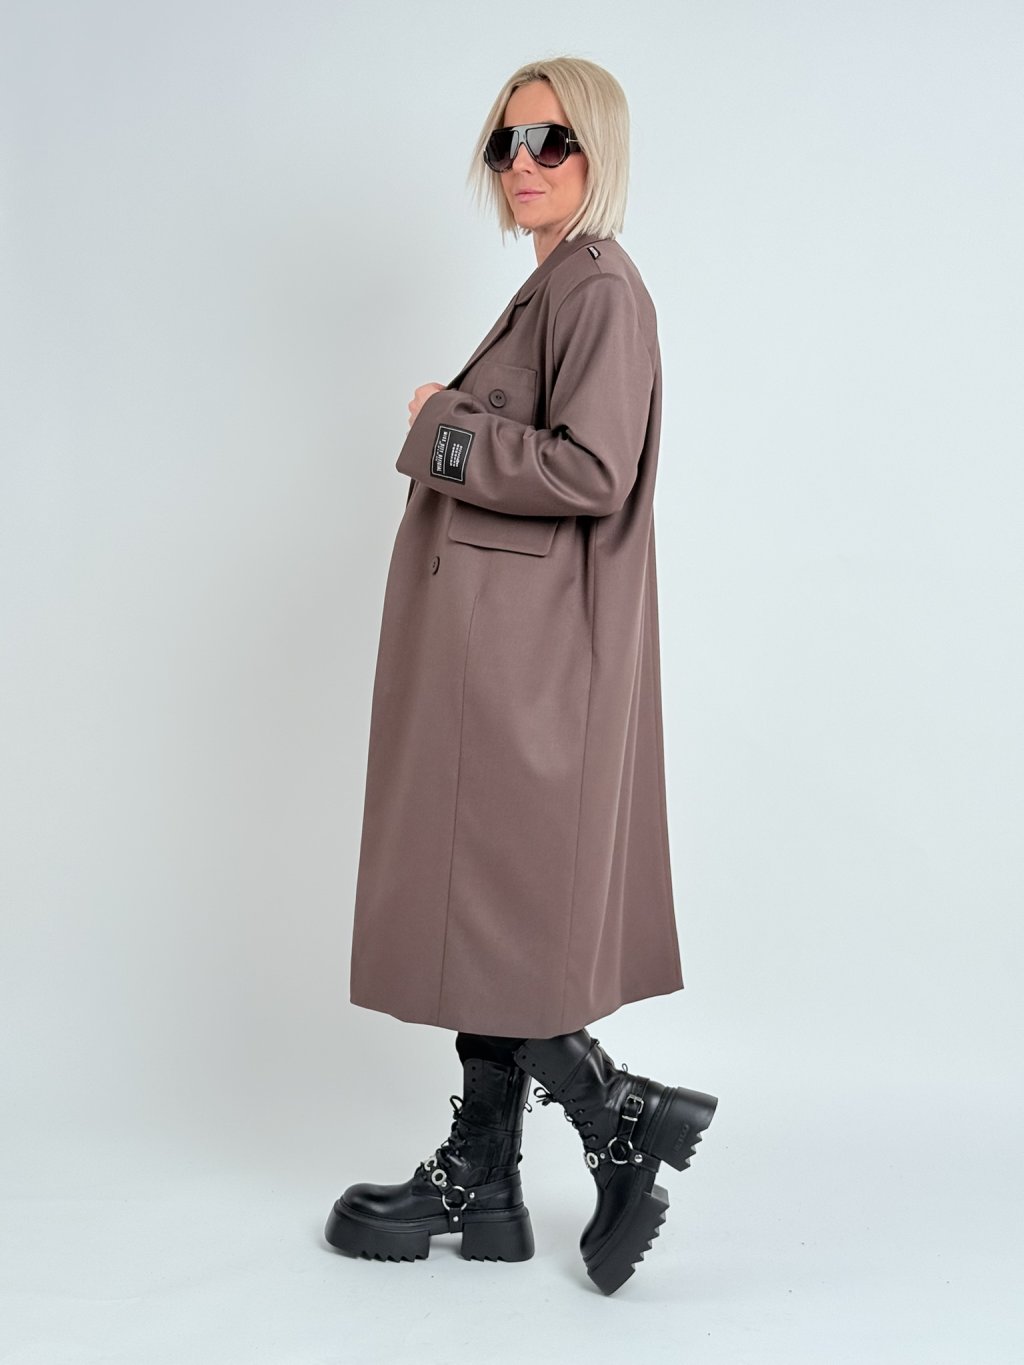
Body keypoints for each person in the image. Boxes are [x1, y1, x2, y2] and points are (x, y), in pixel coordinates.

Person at [324, 56, 718, 1297]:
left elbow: (593, 471)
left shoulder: (597, 288)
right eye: (506, 143)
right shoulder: (556, 285)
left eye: (552, 141)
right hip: (500, 653)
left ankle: (614, 1111)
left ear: (598, 150)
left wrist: (444, 423)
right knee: (480, 911)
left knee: (487, 912)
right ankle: (482, 1185)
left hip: (524, 661)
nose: (525, 164)